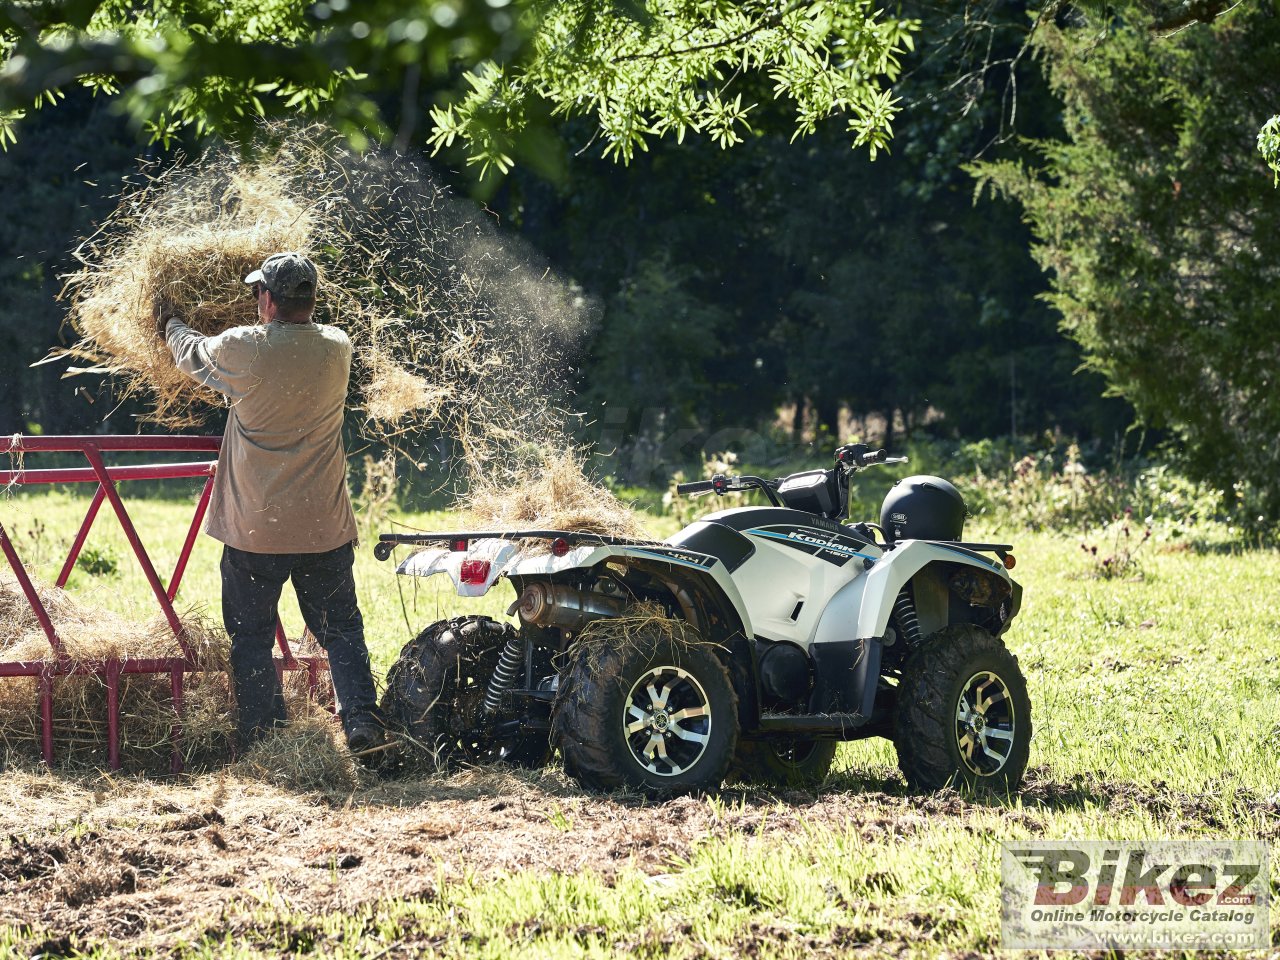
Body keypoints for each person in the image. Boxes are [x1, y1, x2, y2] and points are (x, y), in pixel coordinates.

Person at [158, 251, 384, 756]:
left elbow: (190, 353)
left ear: (266, 298)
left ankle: (266, 738)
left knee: (251, 635)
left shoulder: (245, 348)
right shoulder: (337, 348)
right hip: (323, 524)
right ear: (311, 299)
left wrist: (170, 319)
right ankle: (363, 726)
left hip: (256, 527)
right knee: (342, 630)